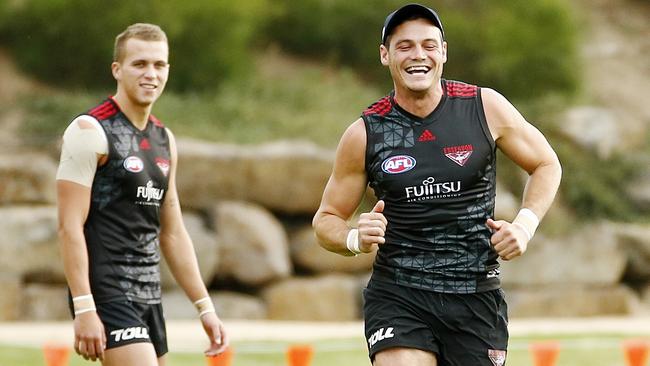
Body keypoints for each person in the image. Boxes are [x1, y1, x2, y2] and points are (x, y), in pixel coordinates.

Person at [312, 4, 562, 366]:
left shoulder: (485, 107)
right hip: (399, 293)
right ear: (385, 55)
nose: (418, 55)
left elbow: (546, 163)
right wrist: (354, 237)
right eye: (405, 46)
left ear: (443, 52)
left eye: (429, 45)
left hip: (474, 294)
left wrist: (524, 226)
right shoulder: (365, 133)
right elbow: (326, 219)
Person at [56, 23, 228, 365]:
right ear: (117, 70)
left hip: (150, 294)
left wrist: (205, 307)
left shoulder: (165, 138)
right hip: (106, 291)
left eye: (159, 65)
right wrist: (84, 306)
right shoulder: (89, 131)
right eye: (140, 64)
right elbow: (69, 227)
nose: (151, 73)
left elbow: (173, 233)